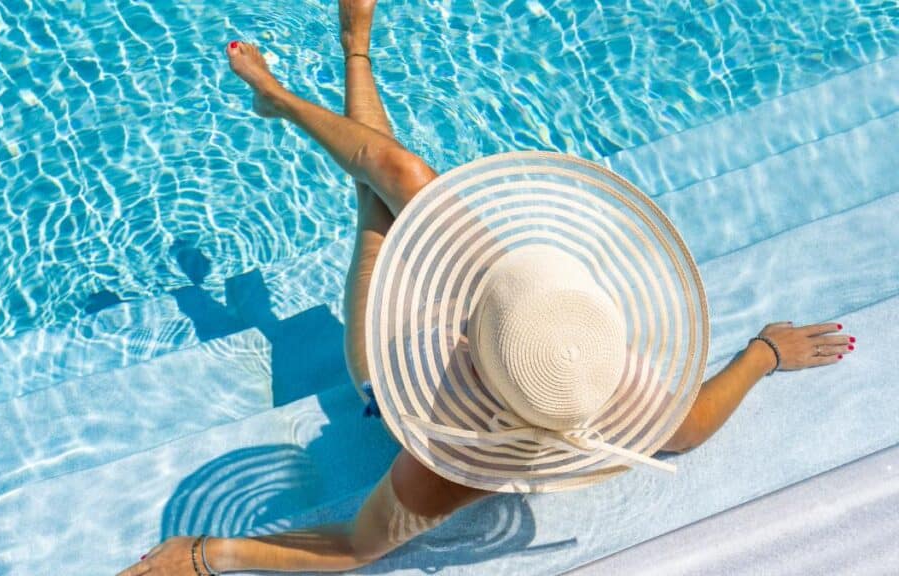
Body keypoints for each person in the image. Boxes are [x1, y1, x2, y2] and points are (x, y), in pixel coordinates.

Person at [117, 1, 855, 574]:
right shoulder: (581, 359)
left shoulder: (459, 461)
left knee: (376, 209)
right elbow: (689, 426)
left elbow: (357, 546)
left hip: (390, 359)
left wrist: (207, 555)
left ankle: (307, 81)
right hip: (510, 312)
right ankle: (334, 66)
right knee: (402, 175)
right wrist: (762, 354)